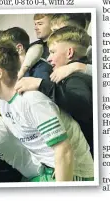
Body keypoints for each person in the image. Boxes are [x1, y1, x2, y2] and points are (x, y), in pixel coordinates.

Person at [0, 42, 94, 181]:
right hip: (48, 169)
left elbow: (64, 151)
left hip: (74, 173)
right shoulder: (2, 102)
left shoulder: (31, 100)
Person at [15, 26, 94, 157]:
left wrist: (41, 84)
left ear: (69, 53)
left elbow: (82, 104)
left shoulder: (76, 78)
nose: (49, 58)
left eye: (52, 52)